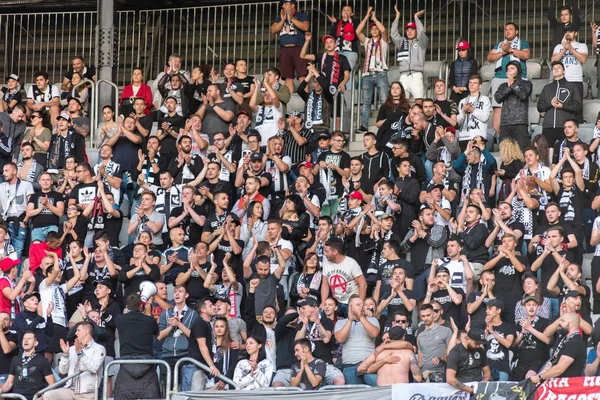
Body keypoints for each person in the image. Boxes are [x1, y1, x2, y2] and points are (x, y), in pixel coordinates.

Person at [487, 23, 531, 135]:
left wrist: (511, 49)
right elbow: (490, 57)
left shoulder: (522, 43)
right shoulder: (499, 44)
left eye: (510, 29)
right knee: (498, 109)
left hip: (519, 78)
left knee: (518, 106)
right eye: (506, 29)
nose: (507, 31)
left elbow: (526, 55)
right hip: (500, 77)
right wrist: (503, 52)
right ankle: (496, 136)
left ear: (516, 32)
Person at [43, 322, 105, 400]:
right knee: (48, 395)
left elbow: (94, 368)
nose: (76, 333)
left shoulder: (98, 348)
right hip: (70, 390)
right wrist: (65, 355)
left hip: (87, 393)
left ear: (86, 332)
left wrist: (80, 353)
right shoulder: (72, 349)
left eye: (78, 330)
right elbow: (62, 371)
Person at [355, 6, 390, 133]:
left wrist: (374, 18)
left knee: (384, 101)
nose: (375, 30)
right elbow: (358, 32)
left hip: (381, 73)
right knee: (366, 102)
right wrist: (366, 16)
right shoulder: (367, 41)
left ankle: (385, 124)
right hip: (367, 74)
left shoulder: (384, 41)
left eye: (376, 28)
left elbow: (384, 30)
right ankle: (364, 125)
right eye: (372, 29)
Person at [334, 295, 380, 385]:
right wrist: (350, 320)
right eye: (358, 304)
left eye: (362, 304)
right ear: (350, 307)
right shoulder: (341, 322)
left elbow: (374, 333)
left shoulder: (372, 320)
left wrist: (361, 317)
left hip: (369, 364)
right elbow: (340, 339)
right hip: (349, 366)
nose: (362, 307)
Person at [530, 312, 587, 383]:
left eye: (563, 321)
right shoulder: (564, 338)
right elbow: (553, 360)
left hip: (568, 386)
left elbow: (559, 369)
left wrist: (540, 377)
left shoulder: (575, 342)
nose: (559, 323)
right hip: (556, 383)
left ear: (571, 324)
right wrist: (541, 375)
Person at [358, 326, 422, 386]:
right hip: (400, 390)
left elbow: (361, 369)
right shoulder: (408, 353)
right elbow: (418, 377)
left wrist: (383, 361)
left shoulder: (379, 352)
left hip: (382, 391)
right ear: (403, 337)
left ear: (390, 338)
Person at [269, 0, 310, 94]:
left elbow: (305, 27)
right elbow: (273, 30)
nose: (283, 6)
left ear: (292, 5)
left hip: (299, 48)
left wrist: (291, 18)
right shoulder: (279, 17)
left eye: (286, 4)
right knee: (288, 77)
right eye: (283, 4)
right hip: (284, 49)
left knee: (302, 75)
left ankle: (305, 100)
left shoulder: (301, 15)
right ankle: (289, 101)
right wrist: (283, 20)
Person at [537, 62, 582, 147]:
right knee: (546, 154)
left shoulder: (572, 86)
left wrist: (562, 106)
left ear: (564, 71)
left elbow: (578, 107)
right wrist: (550, 104)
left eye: (559, 68)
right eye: (553, 68)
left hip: (565, 126)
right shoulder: (547, 88)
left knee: (565, 151)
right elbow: (540, 107)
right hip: (548, 126)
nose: (556, 69)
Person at [0, 331, 54, 400]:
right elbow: (9, 382)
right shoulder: (15, 359)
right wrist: (2, 389)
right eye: (24, 338)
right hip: (16, 396)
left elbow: (51, 383)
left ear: (36, 343)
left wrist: (43, 397)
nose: (26, 340)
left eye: (29, 338)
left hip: (34, 397)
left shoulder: (42, 360)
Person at [551, 23, 588, 123]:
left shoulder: (581, 46)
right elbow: (553, 61)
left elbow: (583, 59)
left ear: (575, 33)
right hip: (561, 81)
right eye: (566, 32)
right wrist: (564, 50)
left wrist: (571, 48)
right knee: (561, 107)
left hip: (576, 81)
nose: (568, 34)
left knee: (577, 108)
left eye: (570, 32)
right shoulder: (558, 47)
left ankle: (578, 129)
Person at [391, 6, 428, 104]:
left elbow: (422, 33)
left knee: (419, 101)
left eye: (412, 29)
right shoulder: (402, 42)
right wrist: (397, 17)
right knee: (402, 103)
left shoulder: (421, 43)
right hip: (403, 75)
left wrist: (416, 18)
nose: (410, 31)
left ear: (416, 31)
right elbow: (393, 34)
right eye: (408, 30)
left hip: (416, 74)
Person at [494, 60, 533, 151]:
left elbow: (523, 95)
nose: (509, 70)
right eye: (508, 69)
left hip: (520, 122)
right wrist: (509, 86)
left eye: (512, 68)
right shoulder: (503, 86)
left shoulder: (526, 83)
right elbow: (498, 98)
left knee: (521, 152)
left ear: (518, 70)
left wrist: (513, 85)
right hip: (505, 123)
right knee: (505, 153)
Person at [0, 162, 34, 260]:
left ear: (14, 171)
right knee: (3, 251)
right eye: (3, 171)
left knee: (17, 251)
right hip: (5, 222)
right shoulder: (1, 186)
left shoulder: (26, 185)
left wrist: (25, 220)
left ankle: (15, 275)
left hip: (19, 221)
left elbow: (31, 205)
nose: (4, 173)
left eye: (7, 171)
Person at [512, 295, 551, 380]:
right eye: (528, 305)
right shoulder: (520, 322)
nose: (531, 307)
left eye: (534, 305)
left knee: (529, 378)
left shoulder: (545, 322)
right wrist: (522, 333)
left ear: (538, 307)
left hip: (538, 359)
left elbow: (547, 340)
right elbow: (513, 344)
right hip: (522, 360)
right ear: (524, 308)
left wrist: (529, 328)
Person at [185, 298, 218, 391]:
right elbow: (202, 345)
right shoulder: (199, 323)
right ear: (203, 310)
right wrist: (211, 365)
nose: (214, 307)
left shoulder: (206, 324)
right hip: (197, 367)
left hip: (203, 367)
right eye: (210, 306)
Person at [446, 328, 491, 394]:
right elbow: (450, 379)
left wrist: (483, 382)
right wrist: (469, 390)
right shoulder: (456, 352)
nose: (478, 346)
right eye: (476, 343)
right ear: (468, 338)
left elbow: (487, 371)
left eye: (480, 343)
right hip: (461, 389)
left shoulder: (480, 351)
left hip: (478, 386)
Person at [456, 75, 492, 149]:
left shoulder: (485, 99)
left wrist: (472, 110)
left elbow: (485, 118)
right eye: (470, 83)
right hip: (463, 137)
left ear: (480, 86)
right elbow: (458, 122)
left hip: (478, 137)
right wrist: (463, 112)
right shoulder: (462, 101)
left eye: (475, 83)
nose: (471, 84)